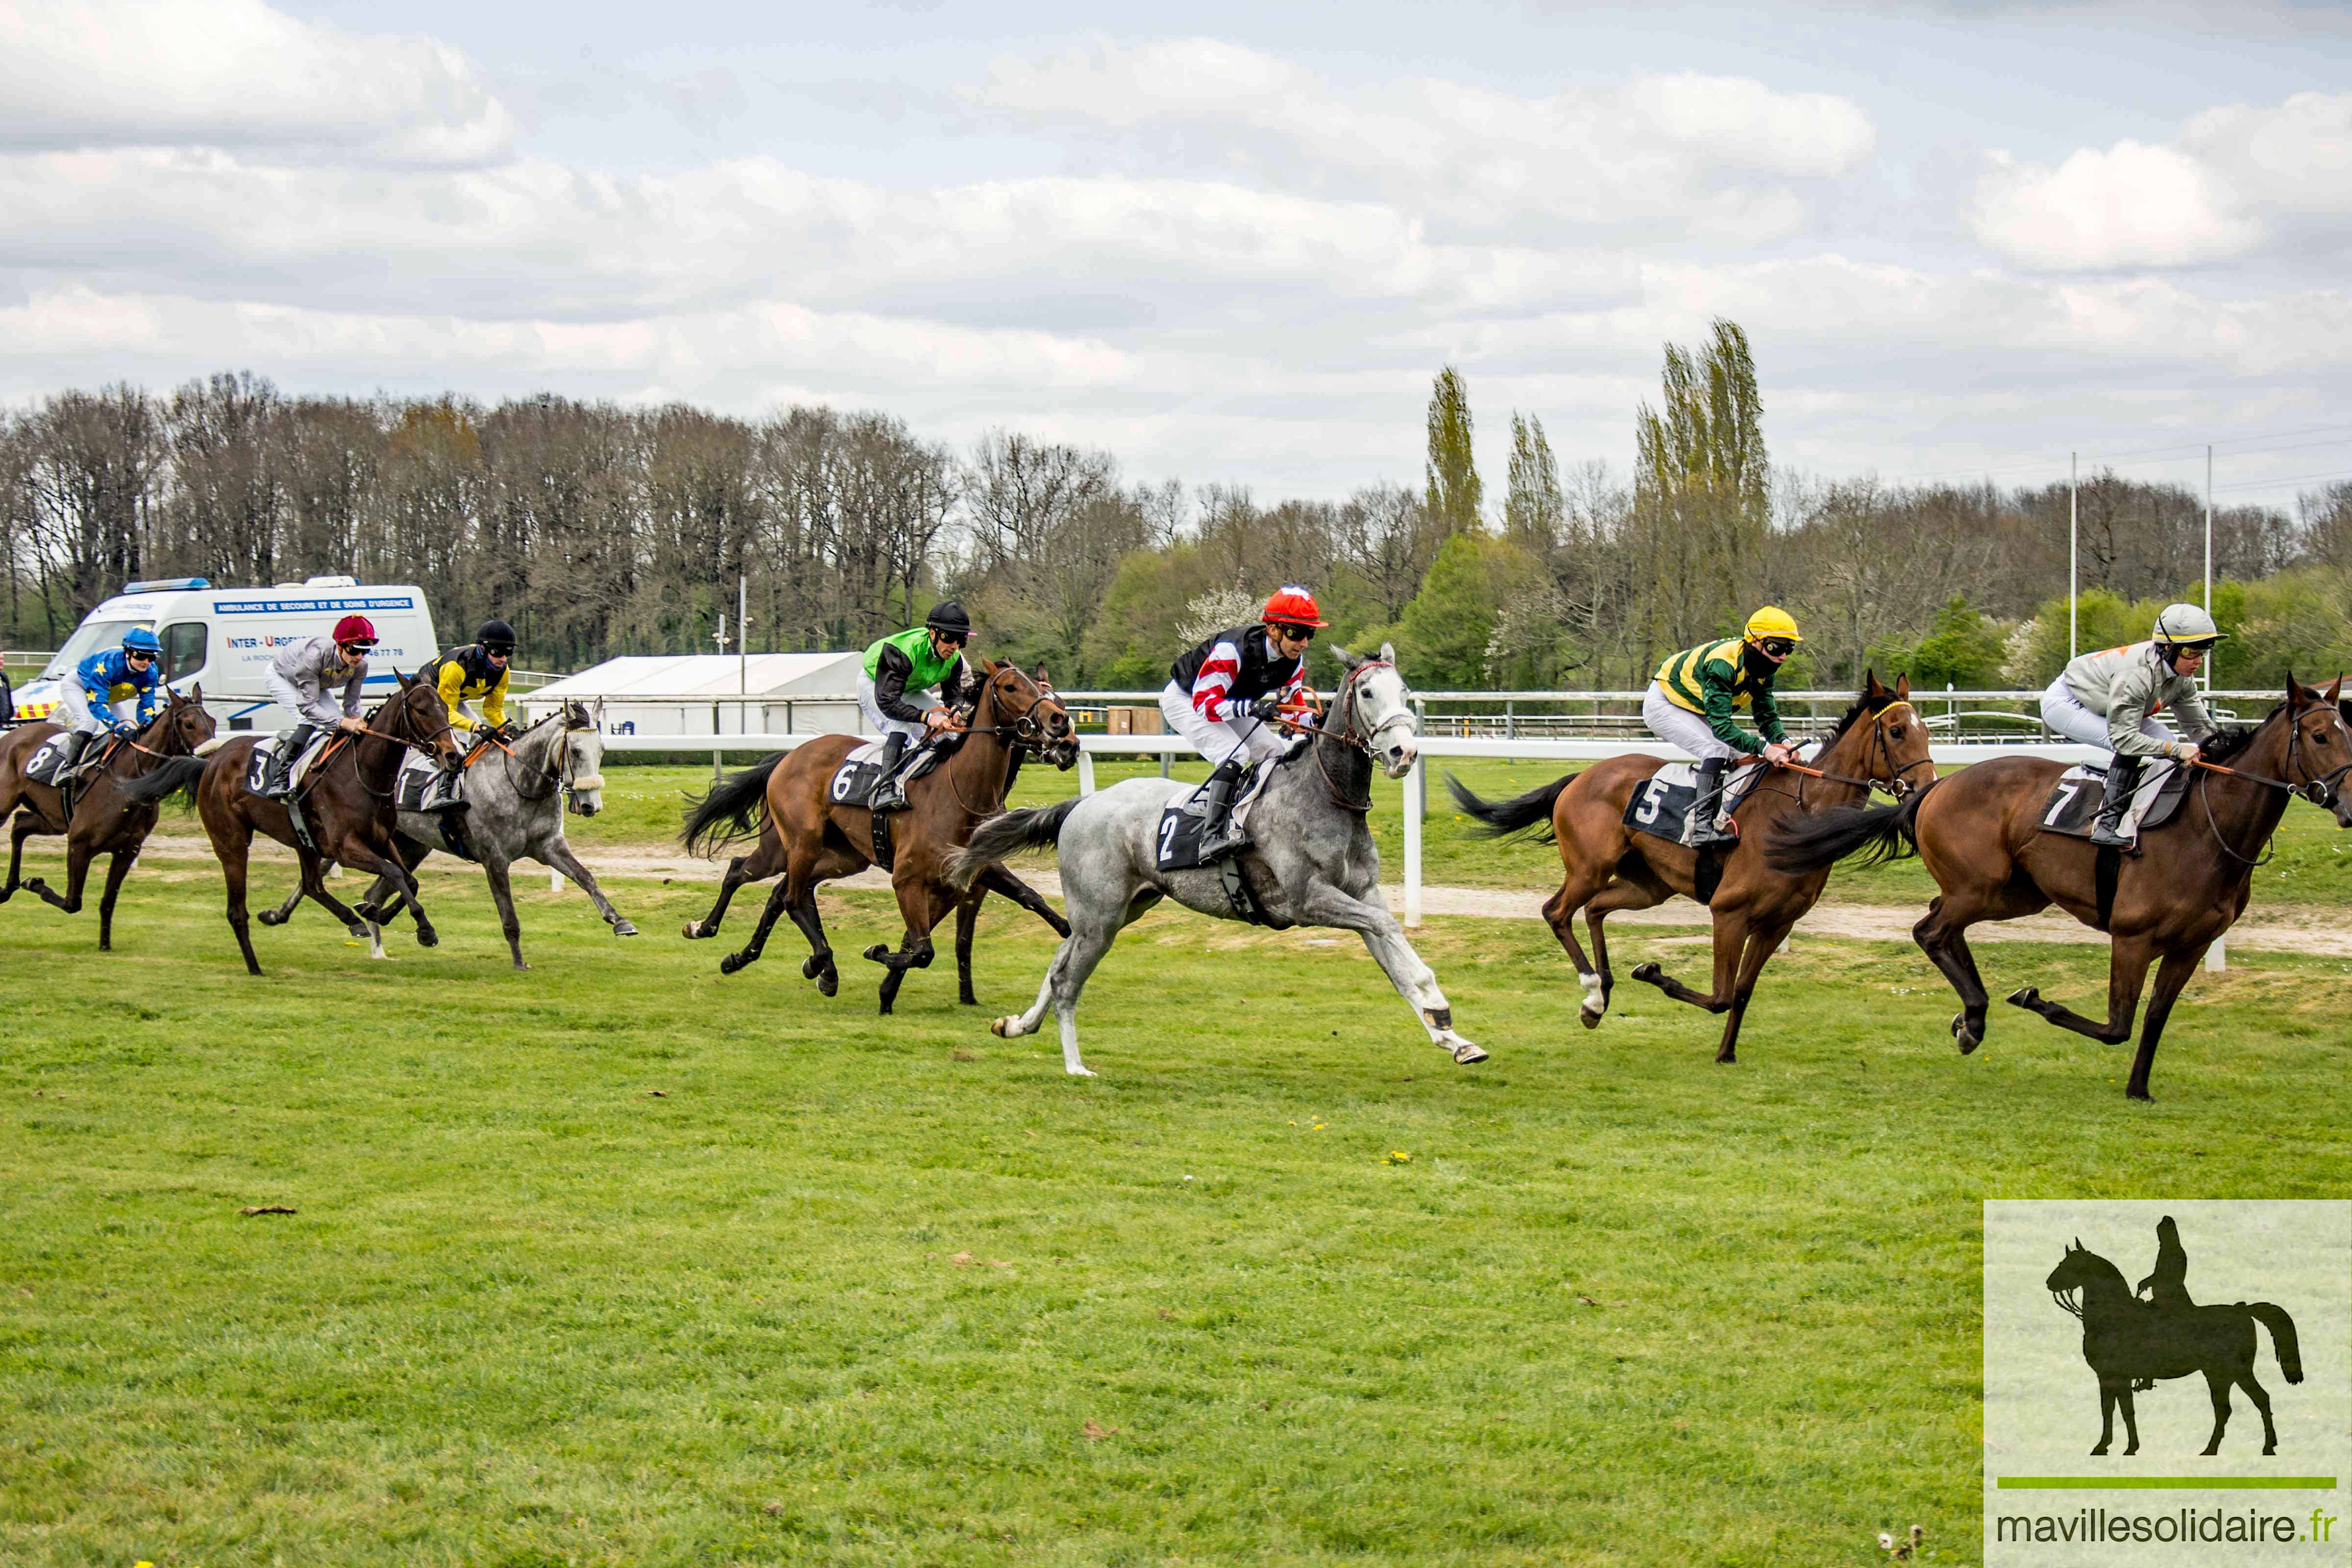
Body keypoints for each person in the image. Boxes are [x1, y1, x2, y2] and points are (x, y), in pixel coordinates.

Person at [2039, 603, 2221, 848]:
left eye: (2203, 653)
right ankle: (2106, 824)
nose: (2198, 661)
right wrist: (2177, 750)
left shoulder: (2183, 681)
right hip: (2067, 702)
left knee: (2170, 745)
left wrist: (2227, 750)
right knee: (2135, 747)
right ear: (2168, 649)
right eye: (2191, 652)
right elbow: (2124, 739)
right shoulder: (2138, 675)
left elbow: (2199, 728)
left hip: (2108, 701)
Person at [1161, 586, 1323, 858]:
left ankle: (1256, 819)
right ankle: (1210, 838)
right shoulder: (1231, 651)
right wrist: (1253, 707)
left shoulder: (1294, 660)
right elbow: (1206, 705)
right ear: (1274, 630)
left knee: (1275, 753)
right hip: (1187, 700)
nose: (1304, 642)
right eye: (1297, 633)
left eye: (1310, 634)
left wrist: (1318, 722)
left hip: (1227, 701)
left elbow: (1294, 707)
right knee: (1234, 754)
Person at [1644, 608, 1804, 849]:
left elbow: (1766, 715)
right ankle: (1701, 830)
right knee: (1716, 751)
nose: (1783, 657)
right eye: (1777, 648)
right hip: (1666, 702)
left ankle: (1727, 817)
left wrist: (1784, 742)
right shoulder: (1723, 664)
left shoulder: (1764, 669)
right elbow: (1721, 726)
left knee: (1743, 757)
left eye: (1789, 649)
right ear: (1756, 642)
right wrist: (1765, 748)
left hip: (1696, 707)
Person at [858, 602, 980, 812]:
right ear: (933, 634)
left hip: (908, 688)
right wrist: (926, 718)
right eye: (949, 638)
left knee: (948, 732)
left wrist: (956, 709)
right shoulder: (903, 652)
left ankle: (945, 788)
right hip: (876, 685)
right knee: (901, 726)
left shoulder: (954, 659)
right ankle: (884, 790)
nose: (955, 646)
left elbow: (953, 694)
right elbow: (889, 702)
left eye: (961, 640)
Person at [259, 613, 376, 797]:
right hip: (282, 677)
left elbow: (352, 701)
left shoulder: (361, 666)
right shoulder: (314, 657)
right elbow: (307, 706)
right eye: (354, 651)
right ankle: (280, 778)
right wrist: (344, 722)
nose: (360, 657)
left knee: (343, 725)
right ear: (340, 646)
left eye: (365, 651)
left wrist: (355, 720)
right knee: (308, 720)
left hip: (315, 683)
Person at [54, 626, 167, 782]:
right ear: (128, 652)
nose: (146, 662)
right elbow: (97, 705)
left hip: (108, 695)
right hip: (78, 686)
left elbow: (146, 707)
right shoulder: (109, 664)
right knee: (90, 723)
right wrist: (119, 727)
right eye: (141, 656)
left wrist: (148, 726)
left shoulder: (151, 673)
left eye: (152, 657)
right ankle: (67, 769)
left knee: (133, 730)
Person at [423, 618, 516, 745]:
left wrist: (506, 729)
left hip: (454, 701)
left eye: (508, 653)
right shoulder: (456, 667)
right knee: (463, 737)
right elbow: (446, 712)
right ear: (483, 648)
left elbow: (493, 709)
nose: (503, 659)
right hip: (428, 698)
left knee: (477, 737)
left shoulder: (503, 672)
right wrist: (477, 727)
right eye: (498, 652)